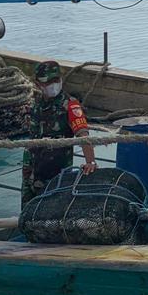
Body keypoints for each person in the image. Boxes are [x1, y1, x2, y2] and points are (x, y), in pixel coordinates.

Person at [21, 60, 97, 206]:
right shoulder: (36, 104)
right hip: (31, 169)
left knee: (52, 211)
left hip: (56, 172)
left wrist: (90, 161)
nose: (53, 85)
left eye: (56, 80)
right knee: (28, 211)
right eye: (48, 82)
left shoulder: (70, 105)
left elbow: (83, 135)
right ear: (38, 84)